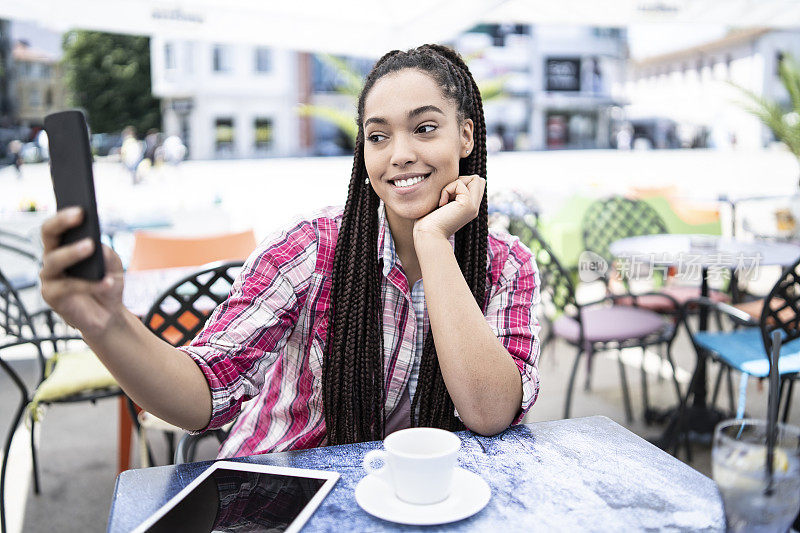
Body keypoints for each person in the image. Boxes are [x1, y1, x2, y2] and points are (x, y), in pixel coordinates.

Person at [39, 44, 541, 457]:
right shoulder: (311, 247)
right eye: (378, 136)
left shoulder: (507, 266)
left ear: (467, 135)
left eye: (424, 128)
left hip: (423, 500)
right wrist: (107, 324)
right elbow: (204, 393)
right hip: (281, 490)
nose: (399, 153)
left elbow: (489, 412)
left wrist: (434, 243)